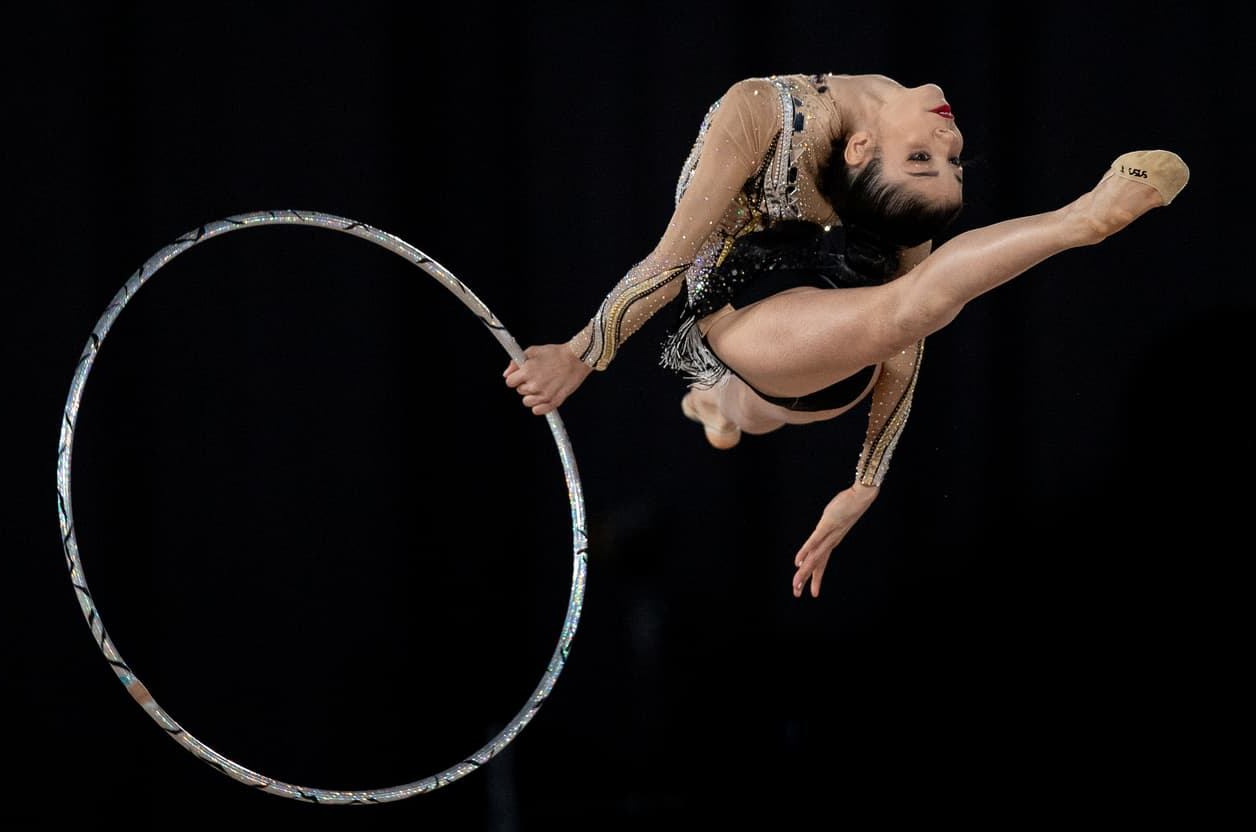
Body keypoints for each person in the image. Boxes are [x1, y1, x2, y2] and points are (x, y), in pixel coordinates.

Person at [501, 72, 1188, 600]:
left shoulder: (891, 182)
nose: (949, 144)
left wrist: (866, 480)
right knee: (758, 397)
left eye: (931, 160)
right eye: (939, 160)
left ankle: (1081, 221)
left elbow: (908, 333)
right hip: (742, 308)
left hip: (827, 345)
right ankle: (716, 404)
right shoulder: (761, 112)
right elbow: (671, 261)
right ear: (858, 148)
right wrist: (582, 353)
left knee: (891, 319)